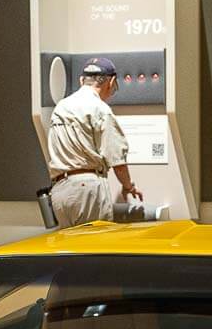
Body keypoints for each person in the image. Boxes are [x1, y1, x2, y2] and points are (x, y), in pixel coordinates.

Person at [46, 56, 142, 227]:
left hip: (59, 191)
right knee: (93, 247)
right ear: (111, 82)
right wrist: (128, 186)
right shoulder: (100, 109)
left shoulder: (61, 107)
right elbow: (117, 160)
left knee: (70, 250)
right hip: (86, 190)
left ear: (81, 80)